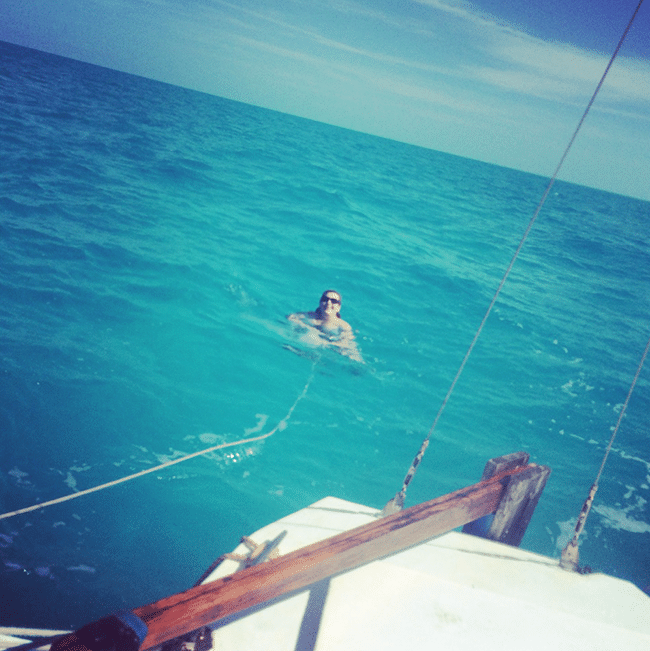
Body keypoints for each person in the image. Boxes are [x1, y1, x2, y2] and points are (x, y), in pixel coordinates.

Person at [287, 290, 363, 362]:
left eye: (333, 301)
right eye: (325, 299)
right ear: (320, 303)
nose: (328, 303)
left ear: (339, 307)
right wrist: (302, 325)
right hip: (309, 344)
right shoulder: (310, 316)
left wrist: (325, 343)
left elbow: (346, 343)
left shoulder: (343, 326)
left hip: (329, 348)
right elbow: (290, 317)